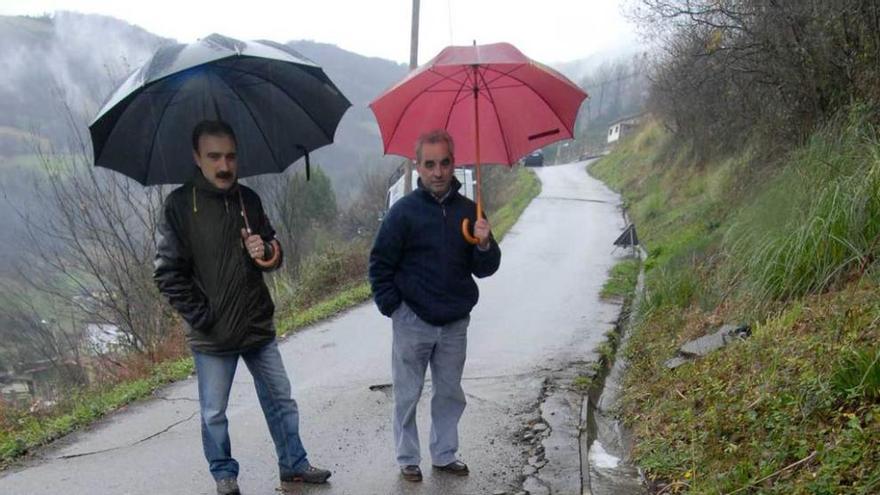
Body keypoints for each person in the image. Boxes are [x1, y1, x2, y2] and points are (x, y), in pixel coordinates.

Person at [154, 120, 330, 495]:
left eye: (230, 156)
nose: (224, 165)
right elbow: (167, 274)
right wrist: (203, 316)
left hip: (256, 326)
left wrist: (263, 251)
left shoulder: (248, 200)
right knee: (214, 413)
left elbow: (273, 251)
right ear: (197, 158)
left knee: (281, 399)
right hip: (213, 335)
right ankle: (224, 475)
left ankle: (293, 465)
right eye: (214, 156)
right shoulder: (180, 206)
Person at [368, 129, 502, 482]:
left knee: (449, 394)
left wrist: (484, 243)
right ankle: (407, 458)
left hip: (455, 323)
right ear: (418, 167)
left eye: (444, 163)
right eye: (430, 165)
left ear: (453, 164)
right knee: (407, 395)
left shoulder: (469, 211)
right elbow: (379, 264)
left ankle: (444, 454)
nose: (438, 172)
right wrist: (394, 308)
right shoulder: (403, 213)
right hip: (412, 320)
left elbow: (485, 269)